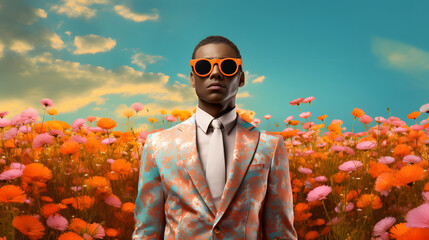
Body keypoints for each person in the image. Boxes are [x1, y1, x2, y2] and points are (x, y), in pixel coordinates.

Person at [133, 36, 297, 240]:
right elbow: (146, 232)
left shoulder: (269, 146)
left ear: (241, 77)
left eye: (227, 66)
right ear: (192, 78)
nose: (216, 72)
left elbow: (280, 233)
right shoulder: (158, 145)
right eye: (204, 66)